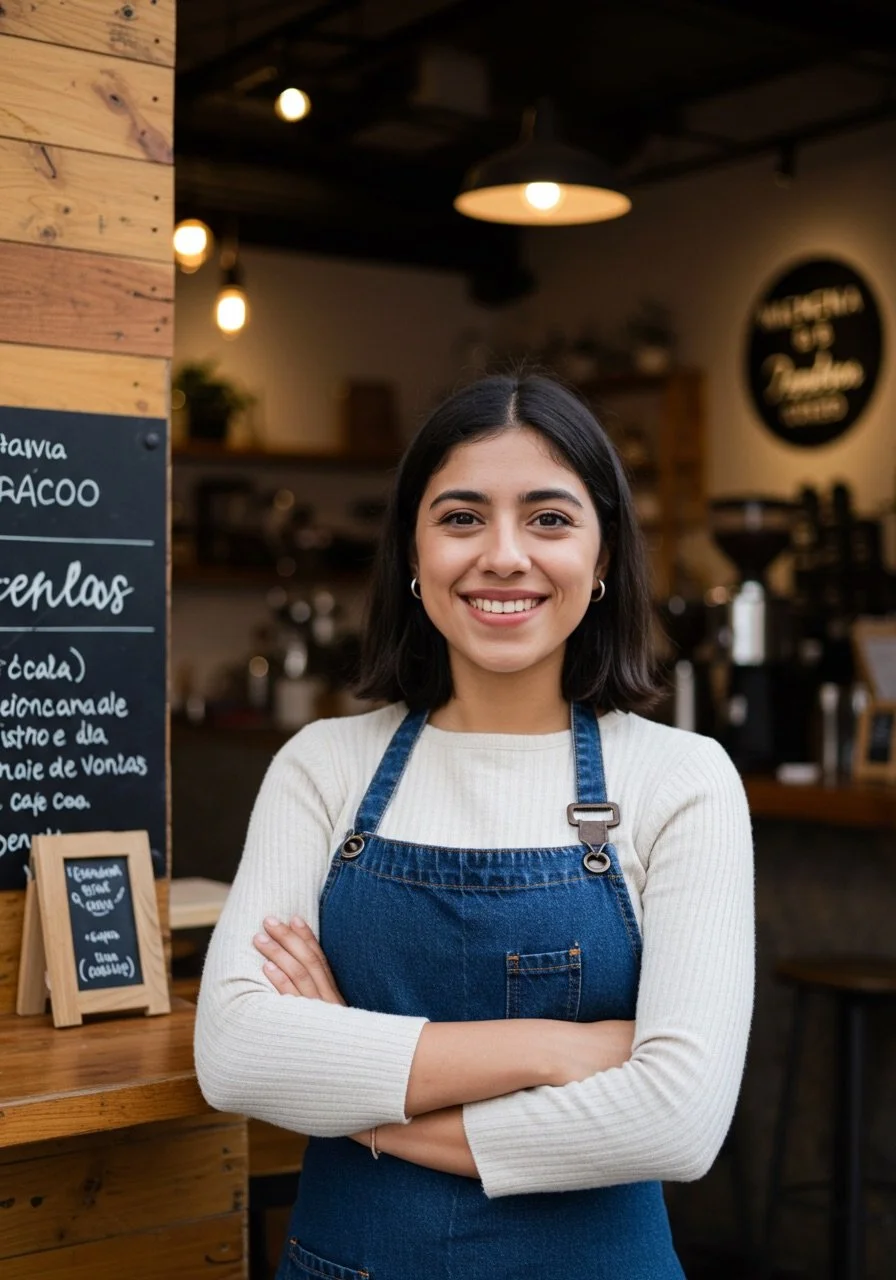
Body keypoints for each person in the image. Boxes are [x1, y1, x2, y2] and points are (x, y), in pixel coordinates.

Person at [195, 373, 754, 1280]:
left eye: (549, 518)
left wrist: (360, 1095)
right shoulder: (323, 765)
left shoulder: (680, 779)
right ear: (412, 554)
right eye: (460, 517)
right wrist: (558, 1049)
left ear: (604, 555)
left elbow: (678, 1121)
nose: (503, 555)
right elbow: (235, 1055)